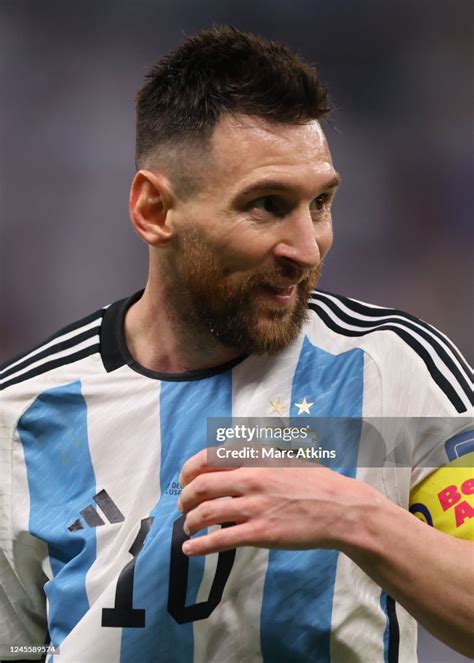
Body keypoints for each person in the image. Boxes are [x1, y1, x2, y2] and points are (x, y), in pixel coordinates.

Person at [0, 26, 472, 663]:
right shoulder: (24, 419)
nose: (307, 249)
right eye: (267, 205)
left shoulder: (390, 370)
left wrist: (359, 518)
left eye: (322, 203)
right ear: (155, 211)